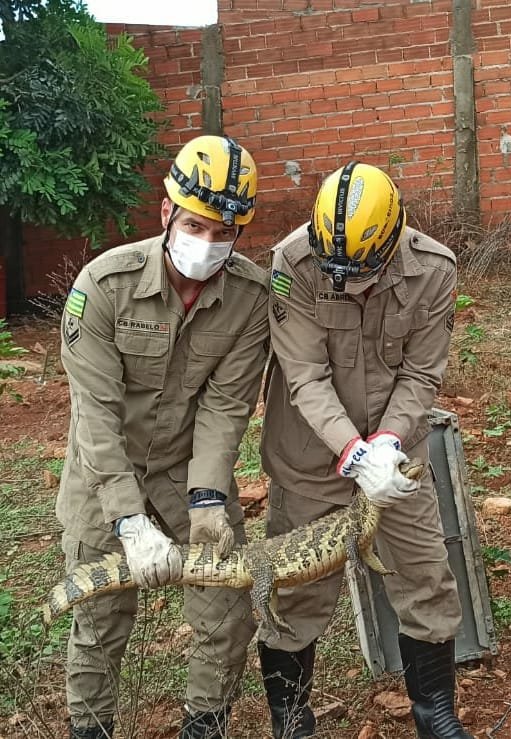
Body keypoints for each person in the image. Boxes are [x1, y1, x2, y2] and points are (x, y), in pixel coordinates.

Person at [56, 135, 270, 739]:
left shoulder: (251, 298)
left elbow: (226, 407)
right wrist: (128, 520)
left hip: (186, 470)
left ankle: (205, 726)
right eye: (195, 225)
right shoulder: (104, 285)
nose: (207, 243)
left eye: (223, 233)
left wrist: (208, 500)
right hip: (105, 474)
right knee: (99, 621)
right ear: (167, 212)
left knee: (226, 613)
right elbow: (96, 415)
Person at [257, 161, 472, 739]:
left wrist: (386, 443)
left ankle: (434, 714)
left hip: (397, 461)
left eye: (363, 271)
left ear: (393, 237)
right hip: (310, 456)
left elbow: (422, 373)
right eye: (337, 272)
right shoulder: (294, 262)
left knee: (425, 578)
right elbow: (304, 374)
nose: (348, 283)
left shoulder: (434, 269)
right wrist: (353, 453)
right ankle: (291, 720)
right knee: (296, 588)